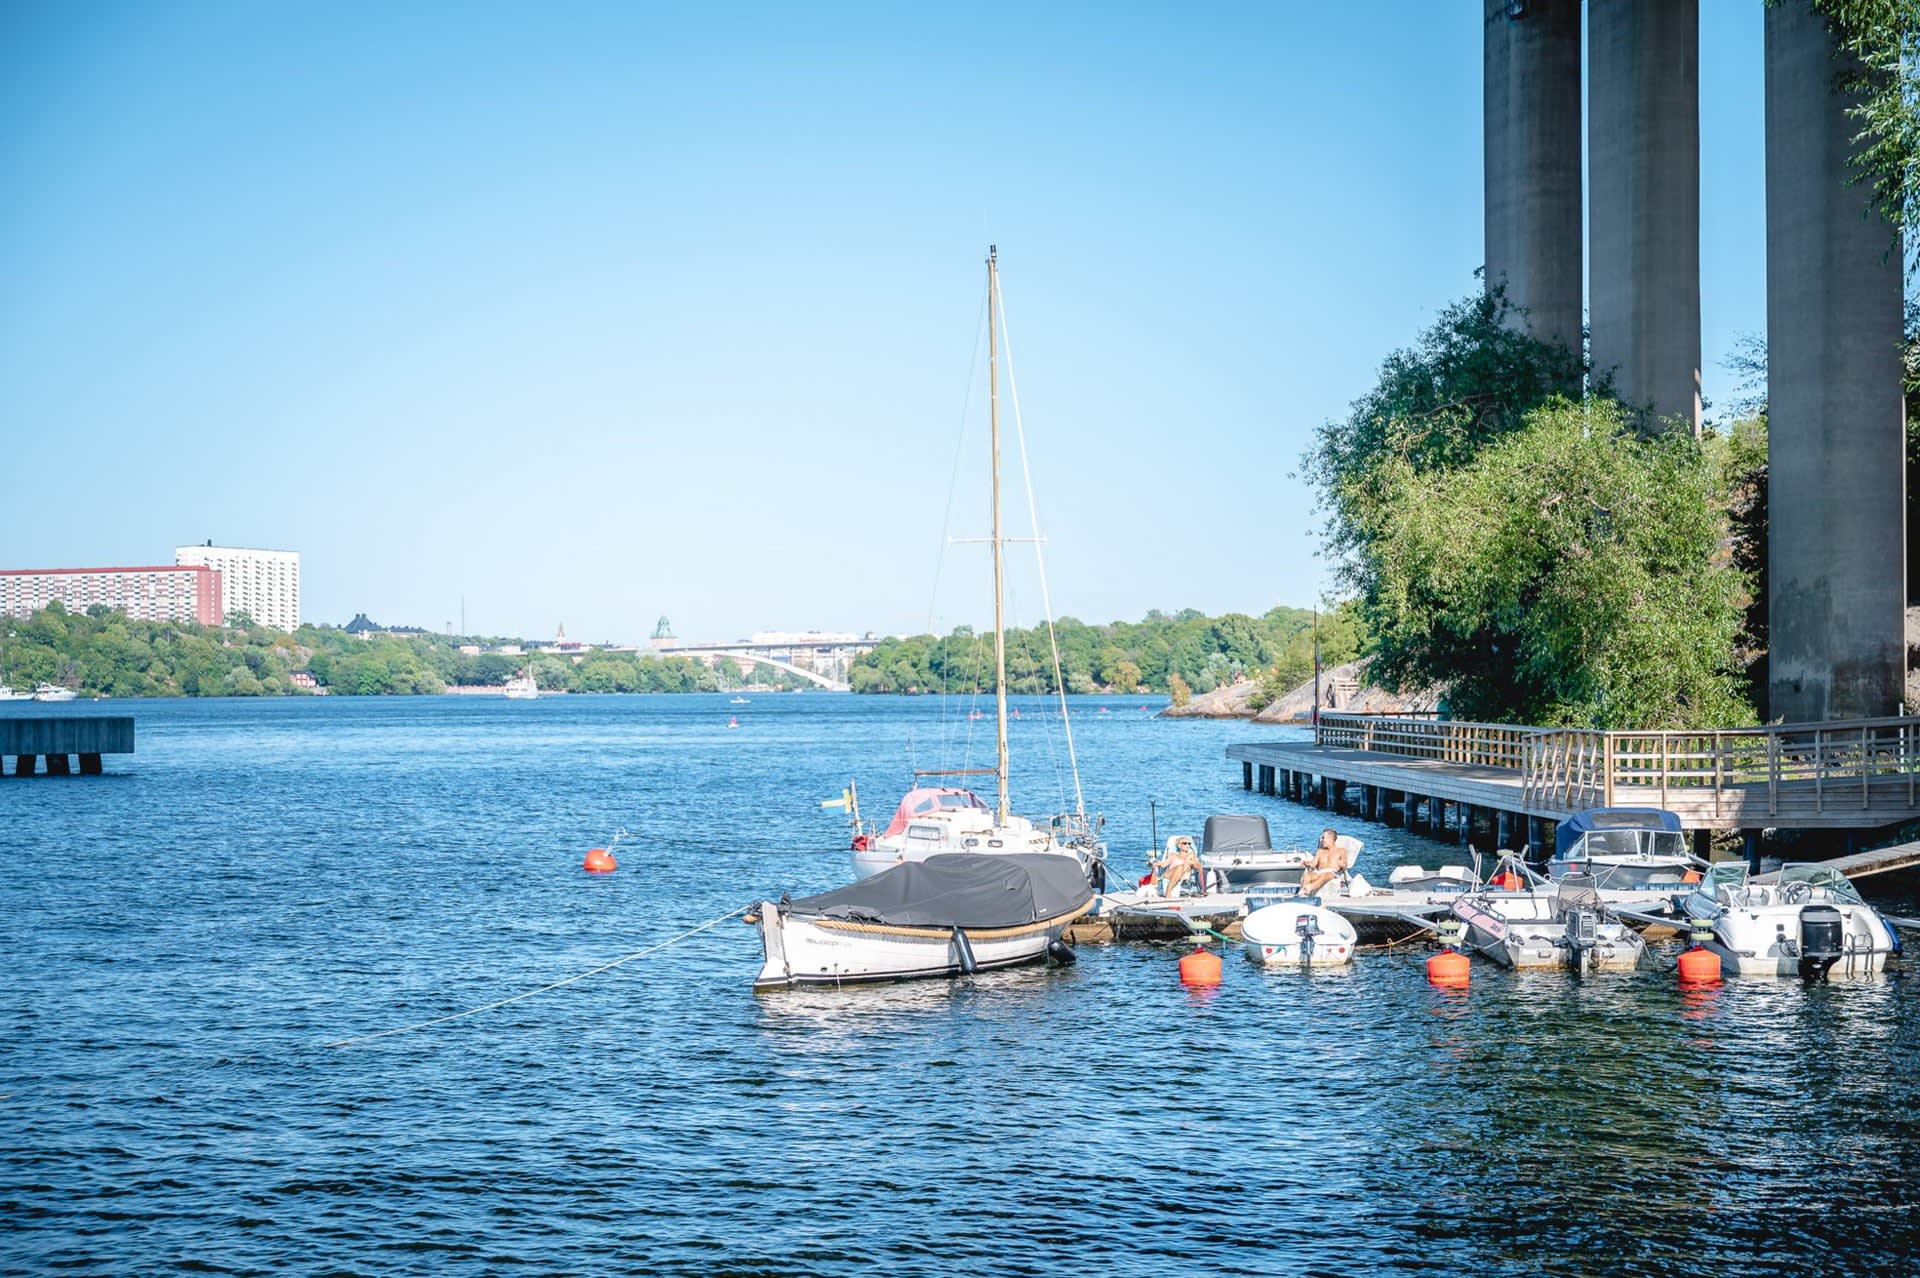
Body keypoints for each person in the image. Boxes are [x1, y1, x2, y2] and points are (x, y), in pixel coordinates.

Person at [1298, 827, 1345, 898]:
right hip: (1320, 872)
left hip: (1332, 873)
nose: (1321, 840)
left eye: (1323, 838)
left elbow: (1345, 863)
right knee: (1307, 875)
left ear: (1331, 839)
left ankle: (1307, 889)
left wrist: (1343, 864)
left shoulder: (1341, 851)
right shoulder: (1320, 851)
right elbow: (1313, 865)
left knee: (1326, 874)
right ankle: (1303, 895)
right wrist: (1307, 863)